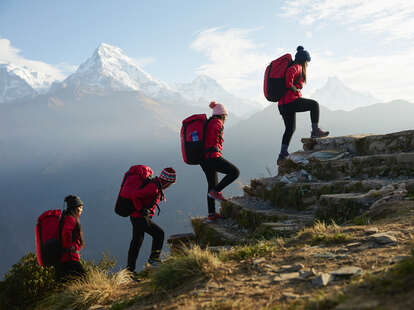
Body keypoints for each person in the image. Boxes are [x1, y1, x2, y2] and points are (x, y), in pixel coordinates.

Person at [277, 46, 329, 165]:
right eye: (307, 62)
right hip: (290, 102)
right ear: (305, 60)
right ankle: (315, 131)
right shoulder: (297, 67)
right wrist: (294, 89)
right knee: (314, 105)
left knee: (290, 128)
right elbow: (288, 80)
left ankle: (282, 154)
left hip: (283, 104)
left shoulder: (294, 66)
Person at [124, 167, 176, 272]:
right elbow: (135, 196)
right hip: (139, 217)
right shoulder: (154, 187)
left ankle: (129, 271)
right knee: (159, 234)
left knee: (137, 242)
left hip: (136, 216)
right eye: (171, 183)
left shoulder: (156, 184)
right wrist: (141, 209)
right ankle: (153, 260)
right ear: (168, 181)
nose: (170, 186)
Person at [200, 101, 240, 221]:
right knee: (234, 172)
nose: (225, 119)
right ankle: (216, 191)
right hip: (212, 156)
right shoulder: (217, 123)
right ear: (222, 115)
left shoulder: (208, 122)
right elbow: (214, 140)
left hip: (204, 159)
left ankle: (211, 214)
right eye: (225, 116)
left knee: (211, 184)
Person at [55, 194, 86, 281]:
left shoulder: (65, 218)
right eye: (80, 207)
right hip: (70, 258)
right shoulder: (71, 219)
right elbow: (66, 233)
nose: (81, 210)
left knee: (67, 284)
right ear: (75, 208)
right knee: (85, 280)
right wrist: (69, 247)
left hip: (65, 259)